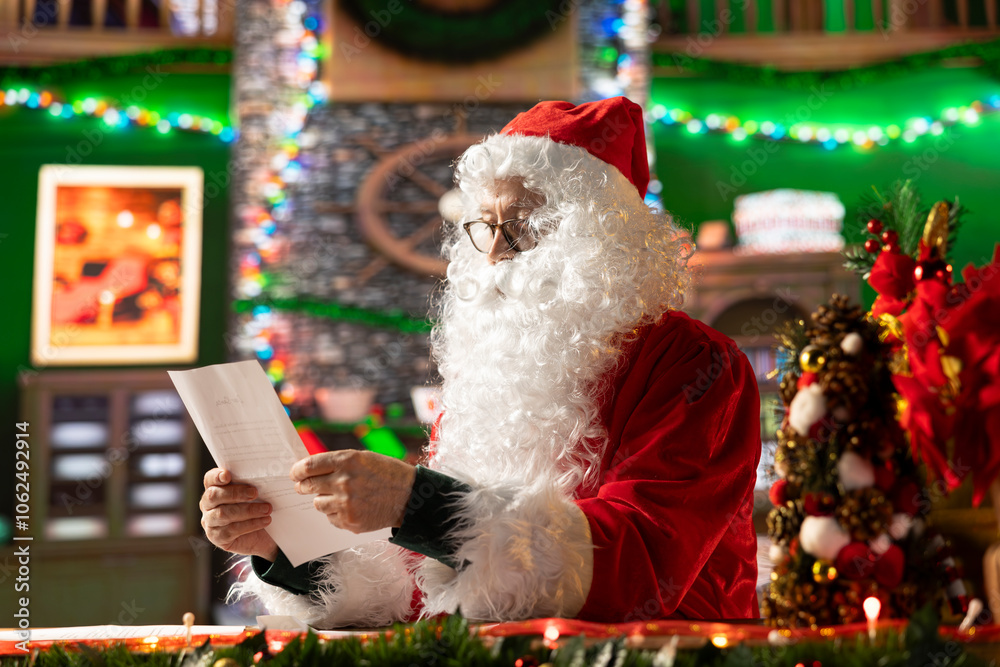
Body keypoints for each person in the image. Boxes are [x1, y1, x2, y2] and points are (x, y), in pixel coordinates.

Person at [200, 96, 761, 628]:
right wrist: (282, 546)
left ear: (596, 239)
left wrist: (418, 503)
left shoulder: (696, 364)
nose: (493, 254)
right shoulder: (491, 369)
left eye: (519, 227)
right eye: (485, 227)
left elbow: (644, 563)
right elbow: (430, 586)